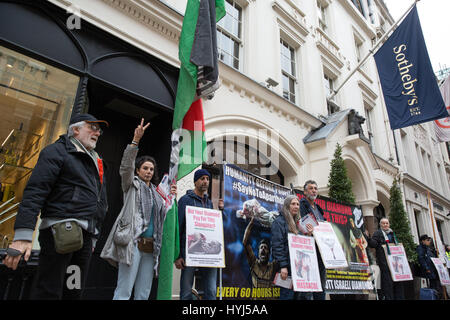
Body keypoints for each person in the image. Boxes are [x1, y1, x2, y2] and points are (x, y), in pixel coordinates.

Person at [3, 113, 109, 299]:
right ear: (75, 129)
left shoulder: (96, 161)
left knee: (72, 290)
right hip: (59, 234)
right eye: (92, 127)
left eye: (99, 130)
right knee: (49, 291)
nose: (97, 133)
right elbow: (35, 192)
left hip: (83, 239)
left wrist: (94, 235)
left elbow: (100, 201)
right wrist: (23, 236)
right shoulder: (57, 151)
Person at [100, 119, 176, 300]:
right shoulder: (131, 185)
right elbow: (125, 166)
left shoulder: (158, 194)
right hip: (133, 244)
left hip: (151, 247)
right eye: (145, 168)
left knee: (143, 292)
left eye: (151, 169)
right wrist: (136, 140)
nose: (149, 171)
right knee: (124, 290)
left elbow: (164, 215)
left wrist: (171, 196)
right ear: (137, 171)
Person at [175, 169, 223, 300]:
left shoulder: (209, 203)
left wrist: (220, 212)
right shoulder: (185, 200)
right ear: (195, 181)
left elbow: (213, 228)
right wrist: (178, 255)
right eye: (202, 179)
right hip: (189, 252)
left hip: (208, 255)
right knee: (186, 291)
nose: (205, 182)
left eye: (207, 179)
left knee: (212, 291)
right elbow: (178, 227)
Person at [298, 180, 327, 300]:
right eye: (311, 188)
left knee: (321, 282)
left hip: (320, 249)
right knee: (309, 282)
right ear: (305, 192)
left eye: (315, 188)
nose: (314, 190)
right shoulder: (301, 205)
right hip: (308, 248)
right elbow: (300, 225)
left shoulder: (319, 209)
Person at [366, 217, 404, 300]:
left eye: (387, 223)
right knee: (388, 285)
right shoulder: (378, 233)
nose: (385, 225)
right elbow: (374, 244)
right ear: (380, 225)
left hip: (395, 264)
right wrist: (368, 238)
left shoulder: (392, 233)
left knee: (398, 284)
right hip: (385, 264)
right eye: (383, 223)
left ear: (389, 224)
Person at [271, 194, 300, 300]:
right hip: (286, 269)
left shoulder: (298, 224)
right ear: (287, 206)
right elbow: (277, 246)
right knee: (286, 296)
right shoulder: (279, 222)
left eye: (297, 204)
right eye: (293, 204)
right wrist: (283, 266)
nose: (296, 206)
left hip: (298, 269)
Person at [242, 215, 278, 293]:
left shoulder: (273, 266)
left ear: (269, 252)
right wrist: (251, 223)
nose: (263, 250)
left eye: (265, 248)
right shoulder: (253, 263)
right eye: (261, 248)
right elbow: (245, 242)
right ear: (258, 252)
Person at [416, 234, 442, 299]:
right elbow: (421, 259)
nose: (429, 242)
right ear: (423, 241)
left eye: (429, 240)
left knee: (435, 283)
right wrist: (426, 268)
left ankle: (436, 296)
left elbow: (432, 257)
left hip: (433, 269)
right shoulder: (420, 248)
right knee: (432, 284)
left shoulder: (428, 248)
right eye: (427, 240)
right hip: (428, 270)